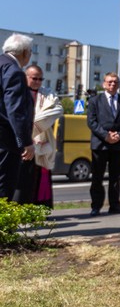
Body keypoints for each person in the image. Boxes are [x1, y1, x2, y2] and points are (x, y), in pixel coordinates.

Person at [86, 72, 120, 216]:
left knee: (115, 177)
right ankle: (96, 206)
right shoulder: (95, 101)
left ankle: (115, 206)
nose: (112, 84)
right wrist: (106, 136)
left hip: (118, 144)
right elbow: (91, 122)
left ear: (119, 85)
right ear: (104, 84)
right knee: (97, 177)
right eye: (110, 82)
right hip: (100, 144)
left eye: (115, 82)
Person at [13, 65, 62, 206]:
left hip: (41, 142)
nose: (38, 82)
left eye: (41, 79)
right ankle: (19, 208)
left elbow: (57, 109)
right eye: (35, 78)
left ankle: (39, 208)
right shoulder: (17, 92)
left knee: (39, 177)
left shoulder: (47, 93)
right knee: (20, 179)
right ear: (26, 77)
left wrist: (33, 125)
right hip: (21, 142)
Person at [0, 34, 35, 199]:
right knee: (4, 186)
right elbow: (15, 109)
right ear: (25, 52)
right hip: (5, 141)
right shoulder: (14, 71)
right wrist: (26, 141)